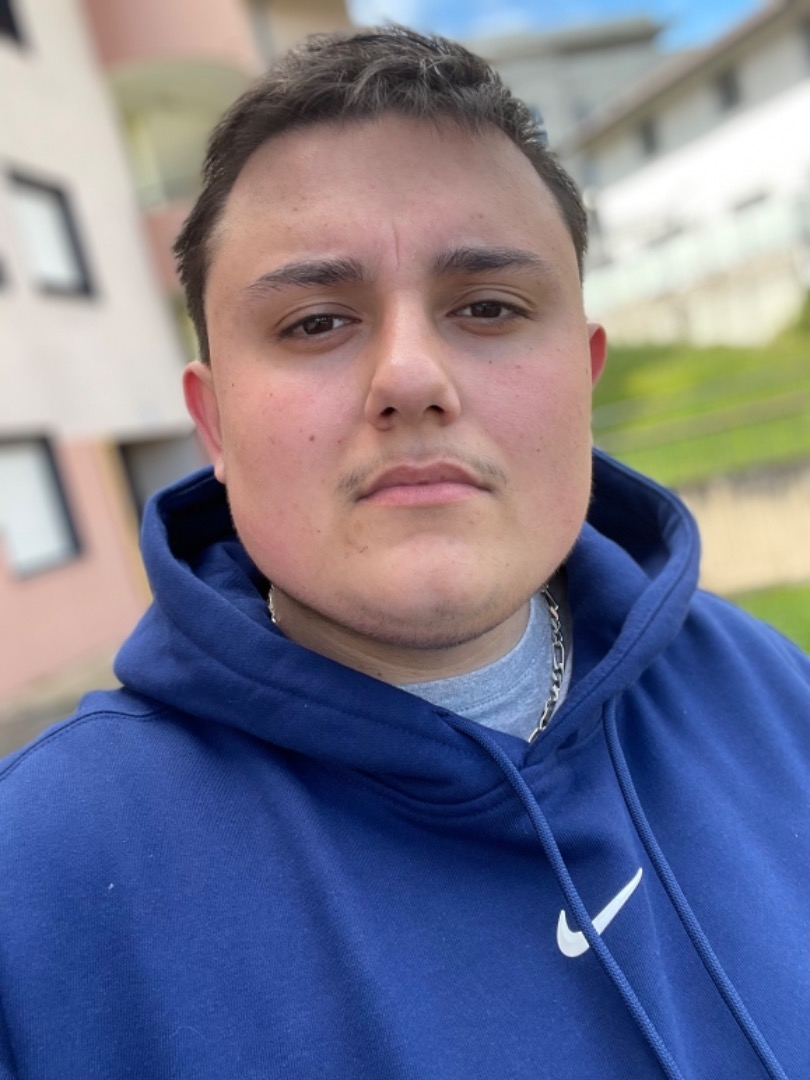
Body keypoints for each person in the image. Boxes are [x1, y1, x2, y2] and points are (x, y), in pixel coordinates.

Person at [0, 27, 807, 1080]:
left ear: (584, 376)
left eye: (488, 307)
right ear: (214, 424)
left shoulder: (772, 692)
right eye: (315, 322)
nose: (412, 378)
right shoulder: (35, 886)